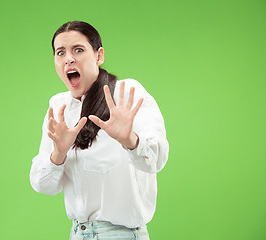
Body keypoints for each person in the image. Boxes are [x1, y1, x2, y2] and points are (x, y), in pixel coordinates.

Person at [30, 21, 169, 240]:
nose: (69, 58)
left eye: (78, 49)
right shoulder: (58, 107)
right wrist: (58, 154)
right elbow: (42, 184)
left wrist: (129, 140)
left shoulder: (126, 93)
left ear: (98, 56)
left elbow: (157, 159)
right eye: (60, 52)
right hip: (77, 234)